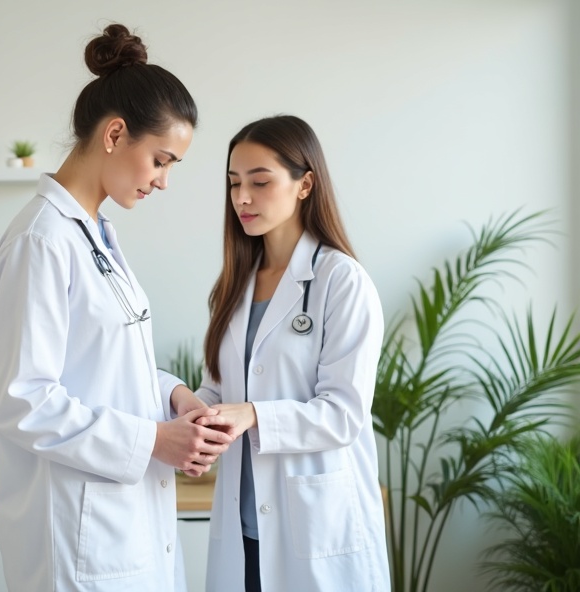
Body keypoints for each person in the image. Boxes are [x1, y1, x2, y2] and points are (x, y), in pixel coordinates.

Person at [0, 24, 233, 592]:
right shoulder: (41, 241)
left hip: (121, 525)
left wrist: (175, 396)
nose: (165, 181)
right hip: (77, 538)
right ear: (116, 133)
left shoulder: (93, 233)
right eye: (161, 160)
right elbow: (24, 400)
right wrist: (153, 439)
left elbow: (104, 365)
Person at [192, 115, 391, 591]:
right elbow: (219, 387)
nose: (242, 197)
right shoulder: (234, 283)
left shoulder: (341, 281)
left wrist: (254, 415)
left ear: (305, 185)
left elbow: (344, 414)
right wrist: (191, 416)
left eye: (260, 182)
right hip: (244, 529)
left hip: (314, 525)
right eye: (234, 183)